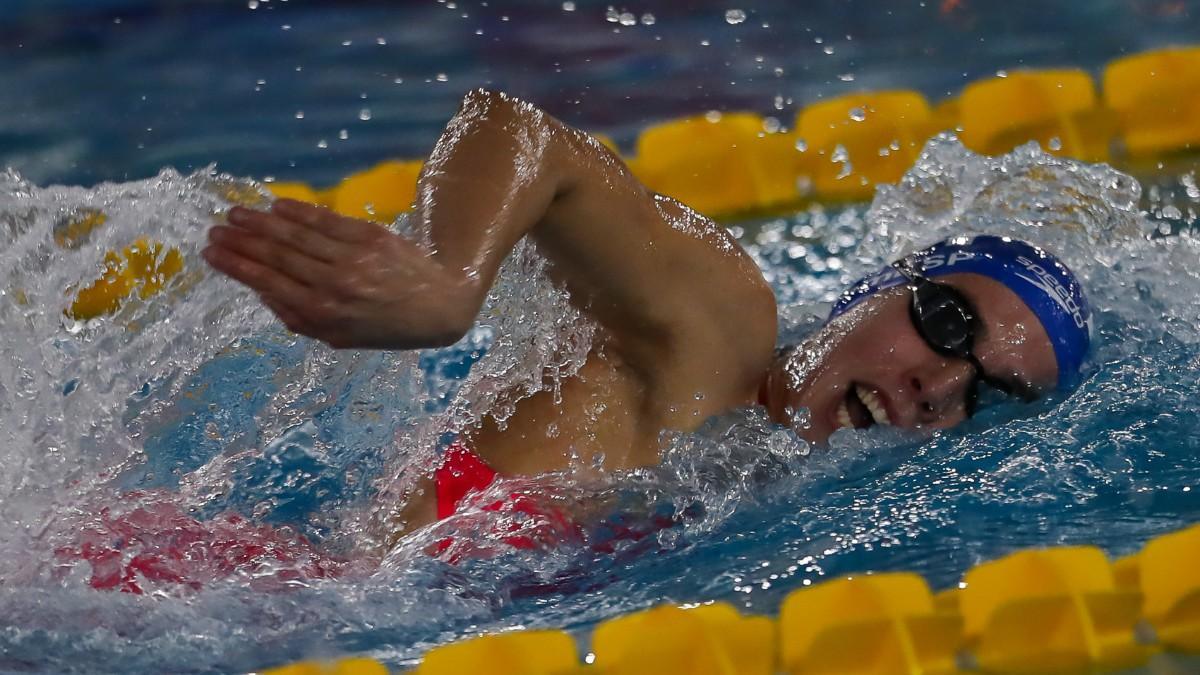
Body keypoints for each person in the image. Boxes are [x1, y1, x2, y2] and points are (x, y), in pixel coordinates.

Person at [201, 89, 1090, 537]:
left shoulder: (769, 493)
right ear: (881, 284)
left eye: (988, 391)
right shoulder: (718, 335)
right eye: (945, 324)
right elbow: (521, 131)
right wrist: (443, 285)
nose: (935, 385)